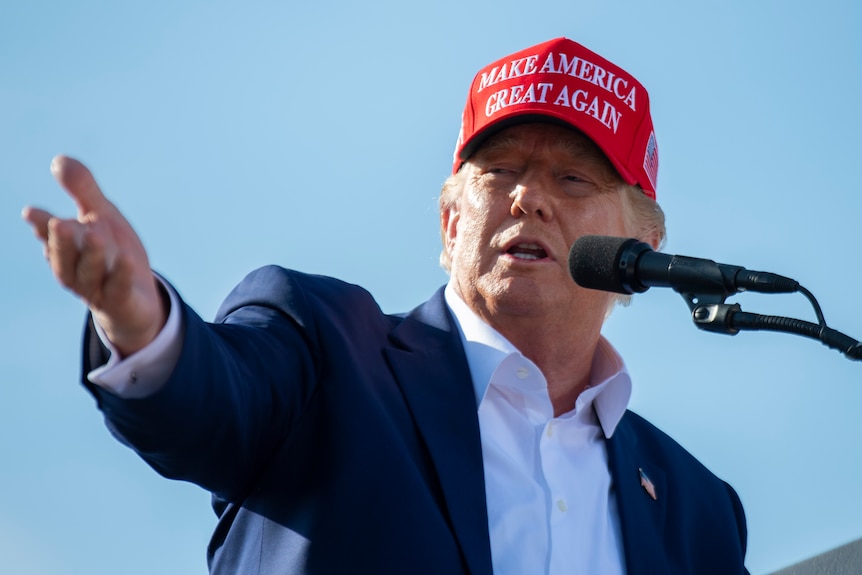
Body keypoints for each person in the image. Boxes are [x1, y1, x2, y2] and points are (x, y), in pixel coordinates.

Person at [23, 37, 749, 574]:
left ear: (642, 243)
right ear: (452, 223)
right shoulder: (326, 350)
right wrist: (142, 321)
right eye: (501, 171)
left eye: (572, 178)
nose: (529, 196)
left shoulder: (696, 507)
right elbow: (211, 396)